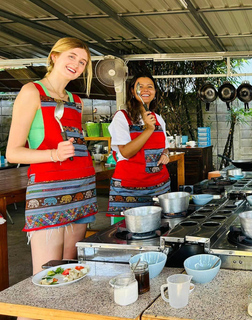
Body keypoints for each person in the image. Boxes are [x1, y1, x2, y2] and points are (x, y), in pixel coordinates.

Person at [6, 38, 97, 277]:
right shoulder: (31, 91)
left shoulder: (76, 101)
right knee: (47, 278)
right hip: (48, 192)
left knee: (70, 272)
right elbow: (12, 152)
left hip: (81, 189)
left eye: (82, 62)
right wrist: (53, 154)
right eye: (72, 56)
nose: (77, 64)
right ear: (54, 56)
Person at [107, 73, 170, 214]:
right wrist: (149, 129)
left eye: (150, 87)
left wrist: (166, 154)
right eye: (140, 87)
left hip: (159, 187)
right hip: (130, 190)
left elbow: (165, 147)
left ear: (155, 92)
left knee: (161, 230)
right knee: (127, 231)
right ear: (132, 91)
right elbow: (126, 152)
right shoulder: (122, 117)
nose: (146, 90)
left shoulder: (158, 118)